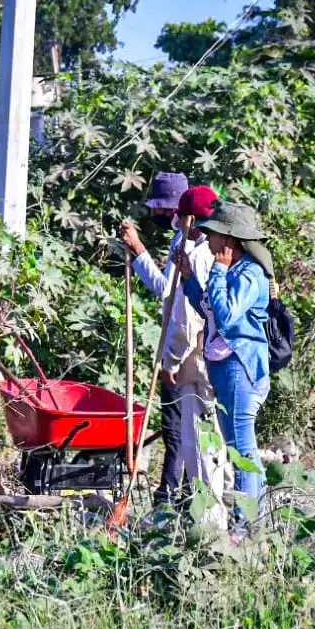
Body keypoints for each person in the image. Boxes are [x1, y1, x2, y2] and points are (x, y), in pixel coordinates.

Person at [122, 182, 229, 520]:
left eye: (164, 211)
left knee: (193, 438)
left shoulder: (198, 251)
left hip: (193, 360)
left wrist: (169, 359)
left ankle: (192, 511)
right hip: (203, 358)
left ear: (185, 216)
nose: (159, 216)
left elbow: (178, 305)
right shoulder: (189, 241)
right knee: (200, 437)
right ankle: (190, 506)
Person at [179, 202, 272, 530]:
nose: (209, 238)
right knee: (238, 449)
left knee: (242, 451)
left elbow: (229, 315)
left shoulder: (249, 273)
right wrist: (190, 279)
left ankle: (243, 528)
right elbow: (209, 309)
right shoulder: (234, 270)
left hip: (240, 367)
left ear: (229, 240)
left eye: (214, 233)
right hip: (223, 366)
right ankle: (251, 524)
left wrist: (216, 271)